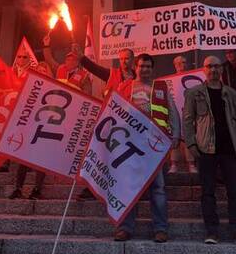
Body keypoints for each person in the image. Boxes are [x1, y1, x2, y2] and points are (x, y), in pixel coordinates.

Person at [113, 53, 180, 243]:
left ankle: (160, 229)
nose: (144, 69)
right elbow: (114, 110)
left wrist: (175, 134)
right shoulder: (124, 86)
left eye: (148, 67)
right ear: (136, 67)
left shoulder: (161, 87)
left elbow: (172, 111)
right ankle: (124, 228)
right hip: (130, 144)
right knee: (128, 186)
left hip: (155, 146)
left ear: (153, 69)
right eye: (141, 66)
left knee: (158, 188)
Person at [183, 55, 236, 245]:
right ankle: (212, 231)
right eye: (209, 66)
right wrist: (191, 145)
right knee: (208, 192)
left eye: (217, 66)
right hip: (206, 149)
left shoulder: (232, 93)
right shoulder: (194, 93)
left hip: (230, 150)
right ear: (204, 70)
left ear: (221, 69)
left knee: (235, 191)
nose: (213, 70)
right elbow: (187, 121)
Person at [72, 45, 136, 200]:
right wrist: (82, 58)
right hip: (108, 124)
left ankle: (119, 189)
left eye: (126, 58)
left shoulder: (138, 78)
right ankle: (91, 189)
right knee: (99, 157)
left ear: (133, 60)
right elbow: (94, 68)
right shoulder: (111, 74)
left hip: (128, 128)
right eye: (120, 59)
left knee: (120, 160)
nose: (123, 61)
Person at [6, 43, 50, 200]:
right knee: (23, 157)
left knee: (40, 157)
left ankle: (37, 189)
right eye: (19, 57)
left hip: (42, 124)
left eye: (44, 71)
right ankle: (18, 188)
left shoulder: (48, 86)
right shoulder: (24, 79)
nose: (42, 72)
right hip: (27, 122)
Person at [168, 55, 198, 174]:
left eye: (184, 62)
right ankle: (174, 164)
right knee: (175, 137)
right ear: (175, 65)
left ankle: (191, 164)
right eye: (179, 63)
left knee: (188, 137)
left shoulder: (192, 79)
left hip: (188, 112)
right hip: (174, 113)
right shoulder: (169, 81)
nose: (182, 65)